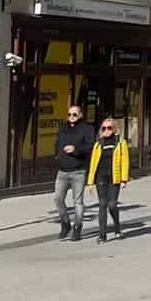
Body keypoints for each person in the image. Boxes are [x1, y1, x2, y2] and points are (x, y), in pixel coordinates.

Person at [53, 102, 95, 242]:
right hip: (62, 171)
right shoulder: (63, 128)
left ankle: (77, 228)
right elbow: (57, 143)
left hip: (78, 171)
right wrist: (57, 157)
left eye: (74, 114)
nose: (71, 117)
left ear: (81, 115)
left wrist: (75, 149)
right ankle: (65, 224)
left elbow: (90, 147)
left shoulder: (87, 129)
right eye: (69, 114)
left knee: (78, 202)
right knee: (58, 199)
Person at [87, 116, 129, 243]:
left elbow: (125, 161)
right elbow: (93, 163)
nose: (106, 130)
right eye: (104, 128)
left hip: (114, 177)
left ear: (115, 129)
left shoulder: (120, 143)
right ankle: (102, 235)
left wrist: (123, 179)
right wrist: (90, 182)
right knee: (102, 204)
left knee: (112, 205)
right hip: (101, 176)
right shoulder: (98, 144)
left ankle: (117, 226)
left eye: (109, 128)